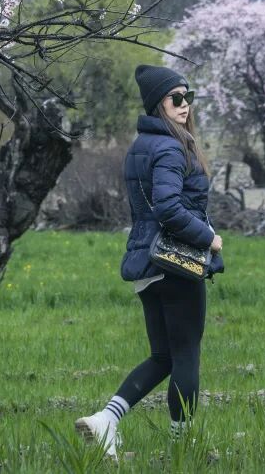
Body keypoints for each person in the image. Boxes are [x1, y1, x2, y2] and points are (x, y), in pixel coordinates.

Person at [75, 63, 223, 460]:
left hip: (146, 263)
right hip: (175, 263)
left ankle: (107, 419)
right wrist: (209, 238)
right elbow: (169, 208)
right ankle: (182, 445)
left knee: (163, 355)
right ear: (158, 103)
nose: (185, 105)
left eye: (187, 97)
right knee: (186, 353)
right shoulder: (172, 148)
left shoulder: (140, 146)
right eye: (176, 98)